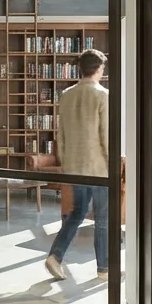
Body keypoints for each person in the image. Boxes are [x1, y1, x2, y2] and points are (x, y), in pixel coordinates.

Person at [45, 48, 111, 281]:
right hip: (98, 168)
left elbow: (60, 135)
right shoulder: (103, 95)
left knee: (77, 213)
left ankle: (55, 256)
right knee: (103, 219)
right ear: (99, 69)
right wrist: (114, 164)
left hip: (74, 166)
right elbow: (106, 135)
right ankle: (104, 269)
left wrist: (66, 162)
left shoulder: (66, 95)